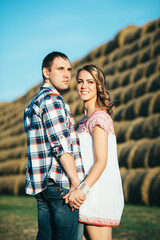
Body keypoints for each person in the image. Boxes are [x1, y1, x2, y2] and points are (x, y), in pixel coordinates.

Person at [24, 51, 86, 240]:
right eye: (60, 69)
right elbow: (61, 145)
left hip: (43, 186)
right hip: (60, 185)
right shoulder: (52, 100)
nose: (67, 74)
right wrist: (76, 184)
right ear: (46, 72)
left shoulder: (34, 101)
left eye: (69, 70)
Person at [65, 64, 124, 240]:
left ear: (99, 86)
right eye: (80, 81)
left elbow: (101, 161)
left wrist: (81, 190)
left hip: (97, 195)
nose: (84, 86)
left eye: (90, 82)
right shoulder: (83, 120)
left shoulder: (99, 118)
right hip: (84, 196)